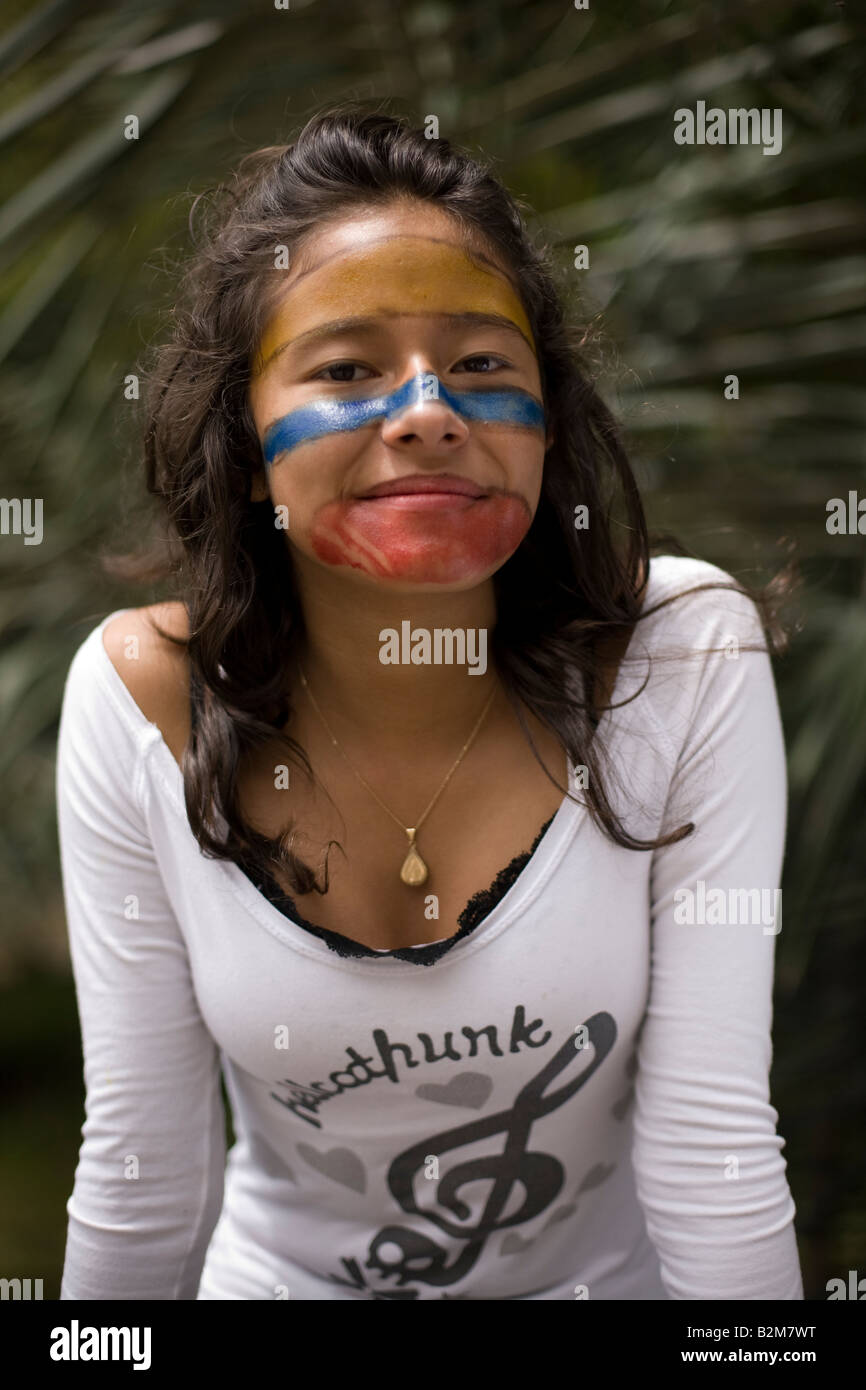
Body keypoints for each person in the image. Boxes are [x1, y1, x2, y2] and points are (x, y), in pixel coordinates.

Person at [56, 104, 803, 1300]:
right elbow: (144, 1177)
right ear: (246, 449)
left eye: (480, 366)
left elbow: (712, 1149)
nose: (428, 411)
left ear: (545, 425)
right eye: (346, 369)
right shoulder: (144, 698)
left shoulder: (675, 656)